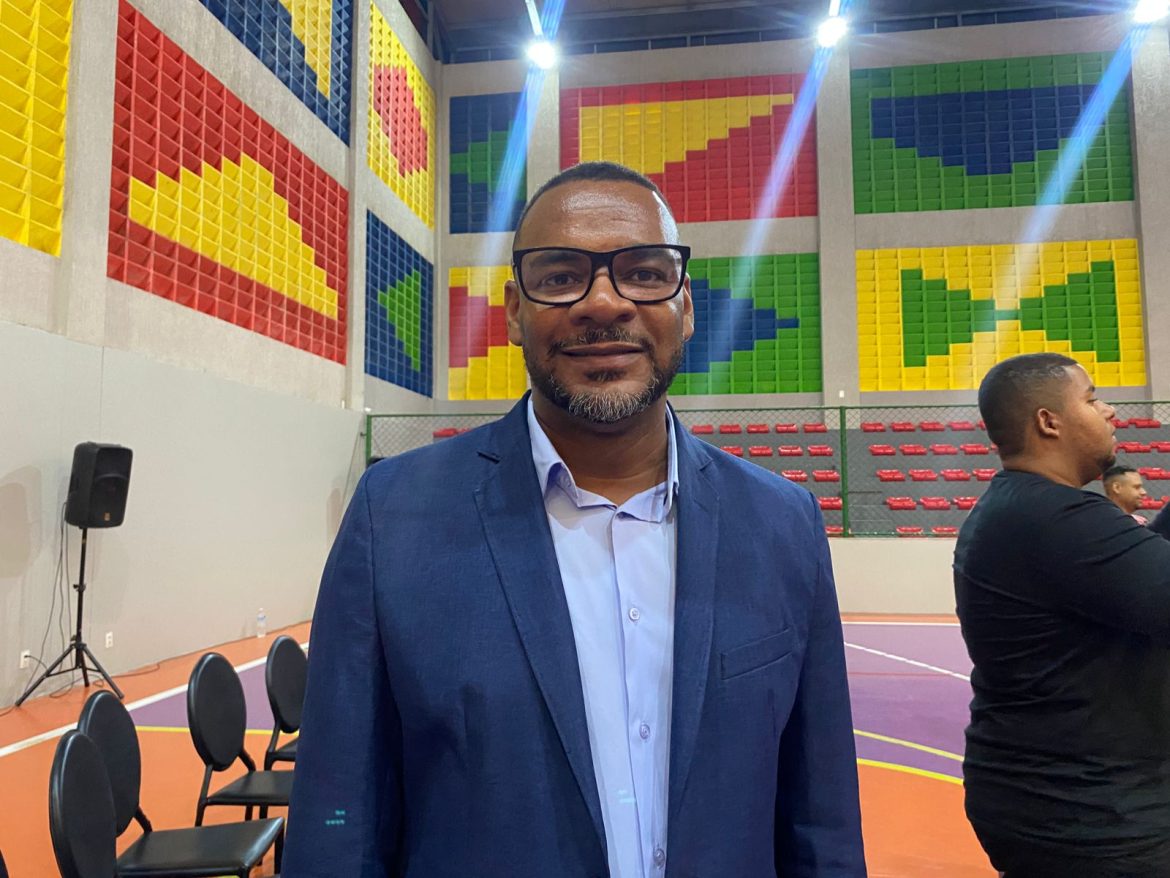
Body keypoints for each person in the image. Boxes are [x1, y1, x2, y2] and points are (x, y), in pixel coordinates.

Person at [283, 161, 866, 878]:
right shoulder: (393, 517)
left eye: (643, 273)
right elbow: (338, 821)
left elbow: (821, 822)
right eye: (560, 277)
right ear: (514, 311)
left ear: (685, 305)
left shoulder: (782, 524)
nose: (604, 302)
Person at [954, 353, 1170, 878]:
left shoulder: (1025, 509)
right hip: (1091, 815)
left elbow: (1147, 571)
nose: (1110, 411)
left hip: (1061, 801)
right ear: (1049, 421)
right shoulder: (1053, 517)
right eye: (1093, 399)